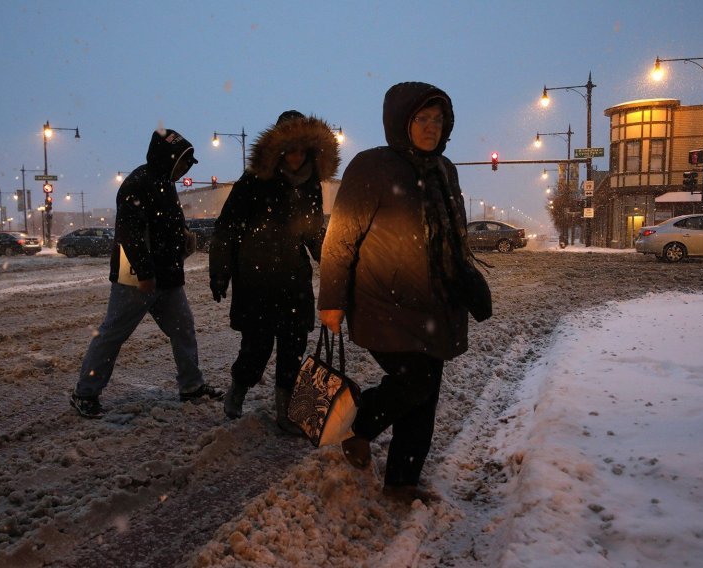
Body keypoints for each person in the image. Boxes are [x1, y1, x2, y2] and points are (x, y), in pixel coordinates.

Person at [318, 82, 472, 503]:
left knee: (426, 394)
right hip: (382, 303)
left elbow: (453, 237)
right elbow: (341, 238)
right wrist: (331, 300)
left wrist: (467, 278)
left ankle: (402, 481)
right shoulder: (372, 167)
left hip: (435, 305)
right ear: (401, 123)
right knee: (415, 383)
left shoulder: (444, 169)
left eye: (437, 120)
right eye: (421, 119)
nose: (430, 128)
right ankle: (360, 428)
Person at [71, 127, 224, 418]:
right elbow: (131, 234)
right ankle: (84, 393)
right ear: (168, 157)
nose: (185, 169)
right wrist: (144, 272)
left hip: (167, 275)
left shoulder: (164, 182)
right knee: (112, 334)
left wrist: (182, 237)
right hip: (137, 278)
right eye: (184, 163)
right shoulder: (137, 184)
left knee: (183, 329)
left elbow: (162, 227)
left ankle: (191, 386)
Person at [209, 110, 340, 433]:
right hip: (256, 280)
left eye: (301, 149)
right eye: (290, 149)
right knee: (256, 348)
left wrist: (335, 265)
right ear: (278, 149)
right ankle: (238, 389)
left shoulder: (310, 184)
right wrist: (220, 272)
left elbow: (312, 232)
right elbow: (226, 228)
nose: (295, 156)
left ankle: (286, 412)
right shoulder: (254, 180)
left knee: (293, 347)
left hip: (293, 279)